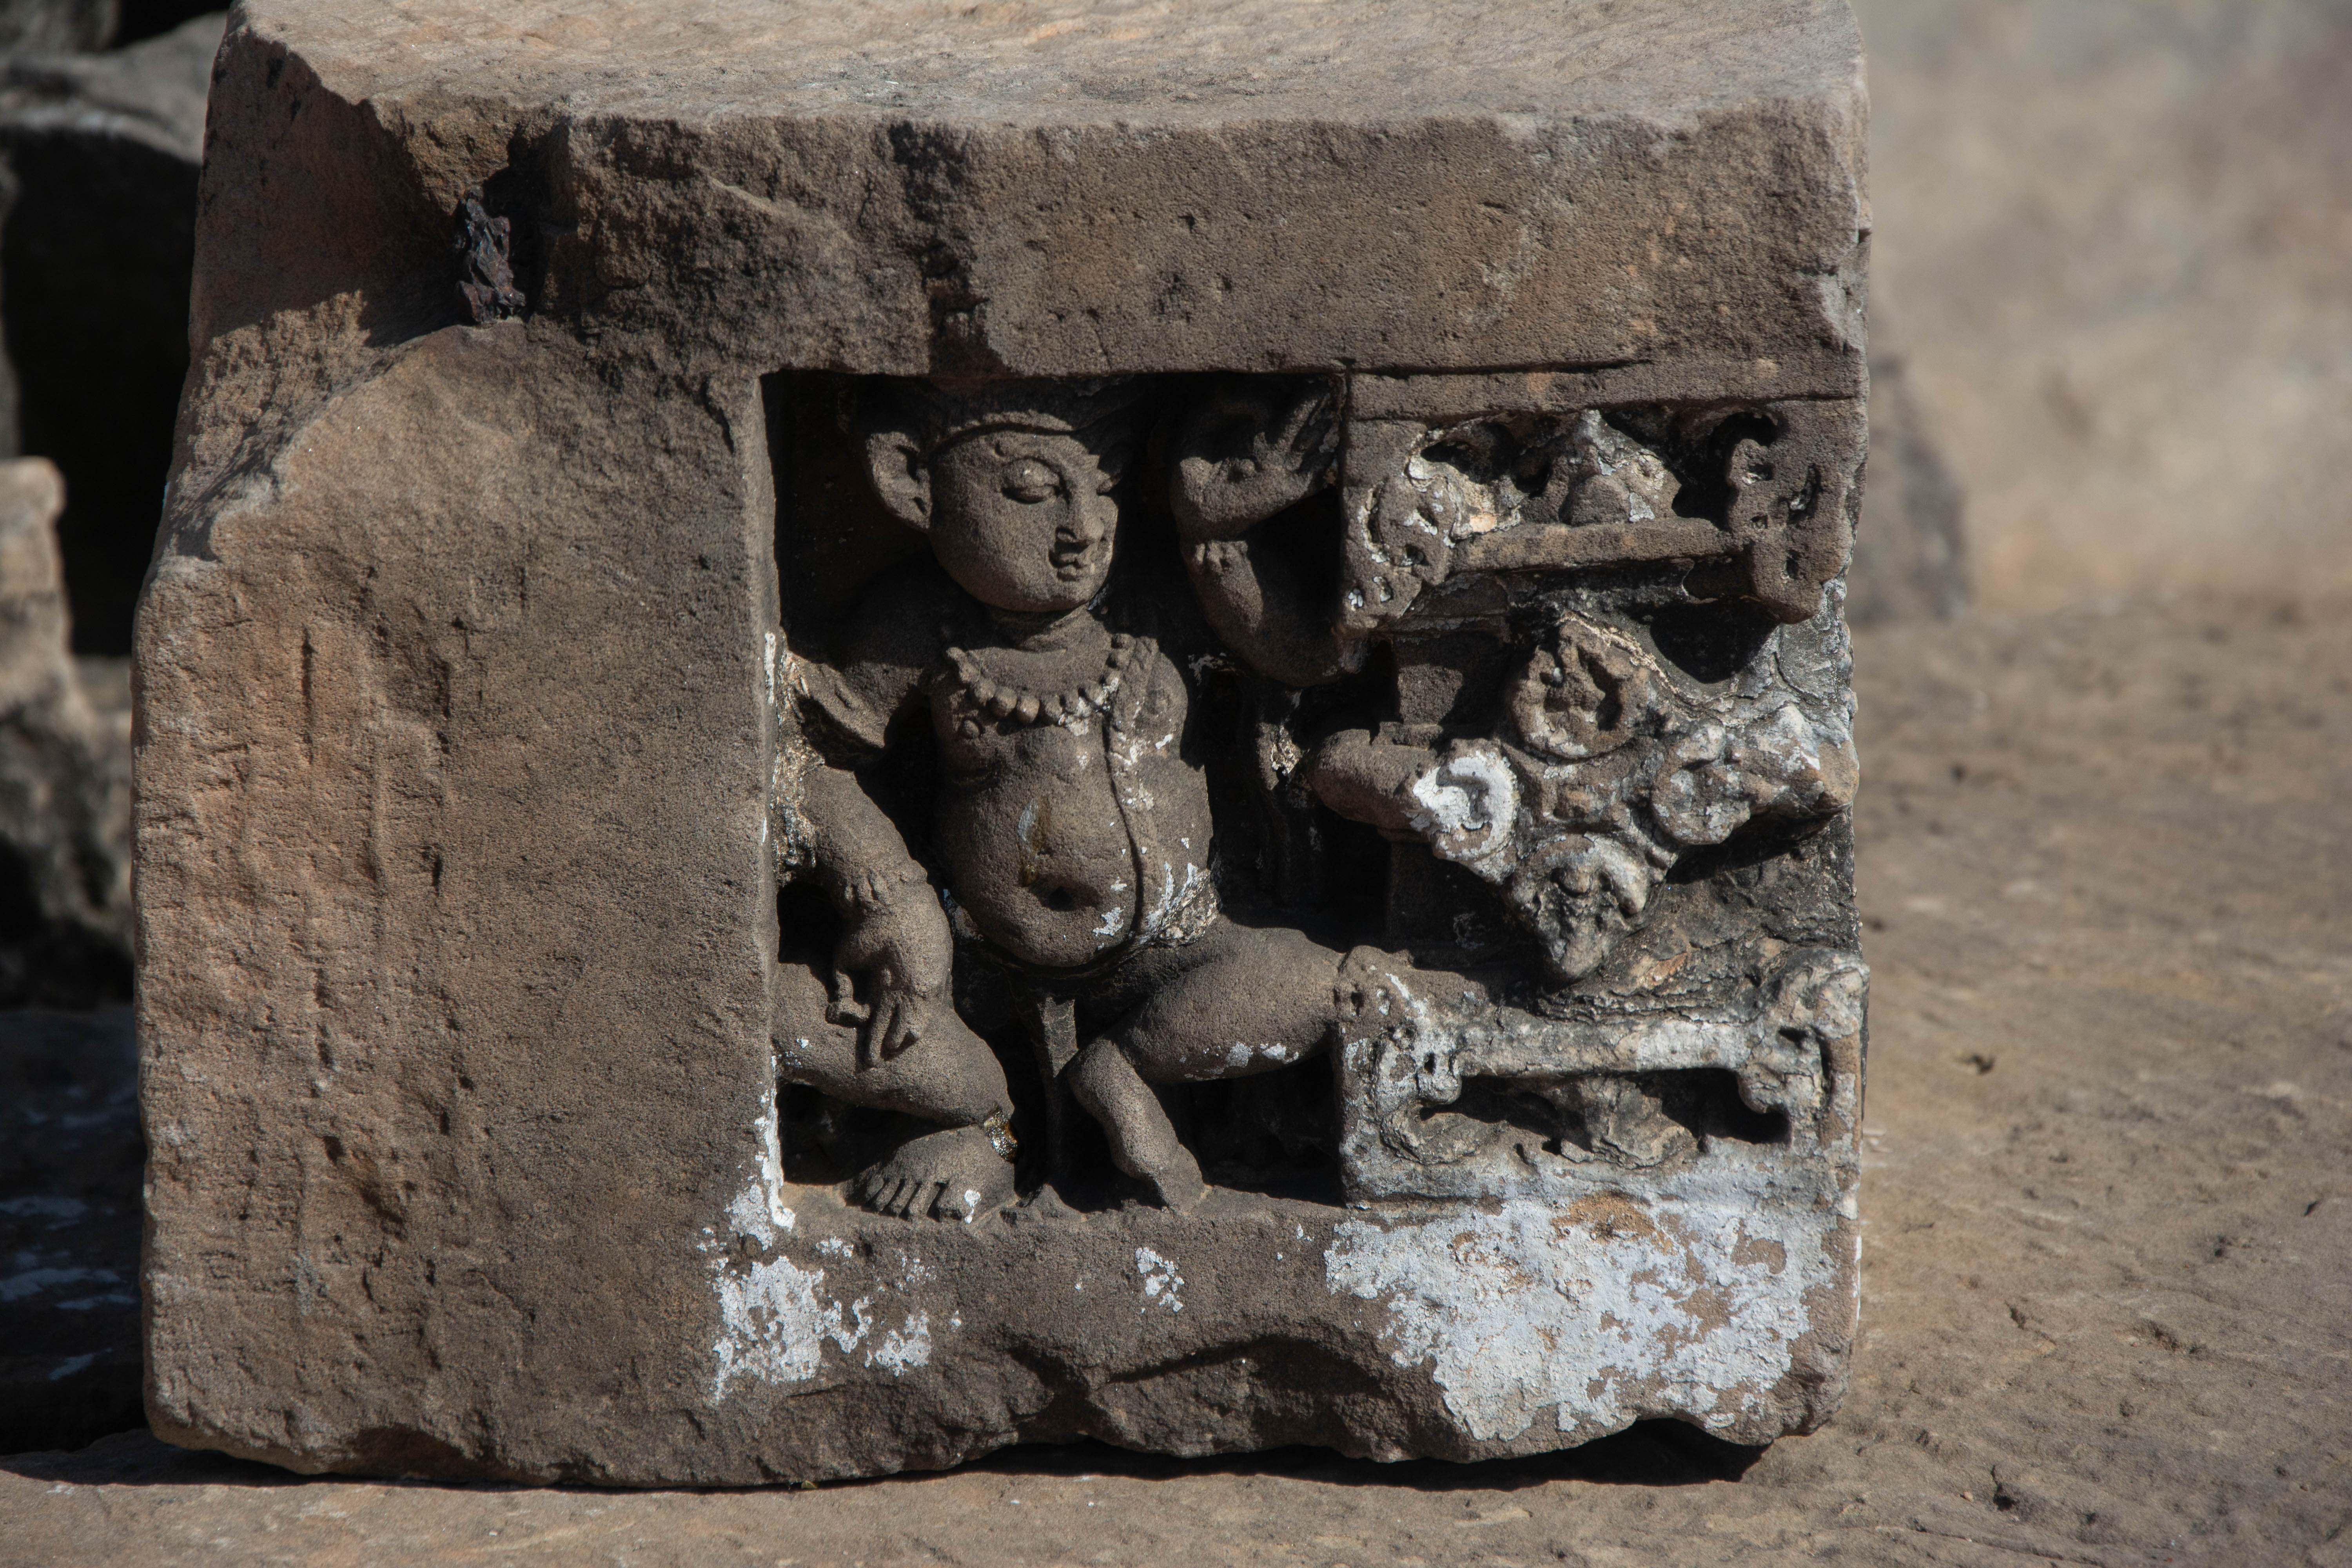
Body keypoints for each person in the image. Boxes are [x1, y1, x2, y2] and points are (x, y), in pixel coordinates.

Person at [776, 376, 1368, 1219]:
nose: (1084, 527)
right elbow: (813, 765)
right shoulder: (917, 626)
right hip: (973, 974)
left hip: (1173, 957)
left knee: (1326, 988)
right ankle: (981, 1121)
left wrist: (1220, 536)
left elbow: (1306, 660)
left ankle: (1122, 1069)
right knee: (780, 1014)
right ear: (911, 481)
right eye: (1030, 489)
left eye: (1107, 483)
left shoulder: (1153, 599)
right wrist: (891, 894)